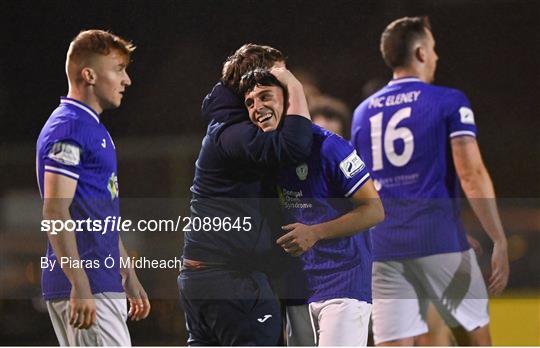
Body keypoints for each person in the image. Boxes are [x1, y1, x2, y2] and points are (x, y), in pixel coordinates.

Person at [351, 16, 509, 346]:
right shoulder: (449, 100)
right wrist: (498, 238)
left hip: (384, 245)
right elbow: (471, 174)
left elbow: (362, 188)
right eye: (434, 49)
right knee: (475, 339)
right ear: (421, 53)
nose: (436, 57)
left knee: (395, 342)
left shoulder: (362, 113)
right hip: (438, 238)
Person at [178, 44, 313, 346]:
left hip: (206, 279)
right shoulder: (232, 131)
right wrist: (296, 85)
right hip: (231, 280)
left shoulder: (229, 125)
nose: (284, 82)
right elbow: (293, 147)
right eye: (279, 75)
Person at [240, 69, 384, 346]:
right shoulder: (270, 155)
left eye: (265, 96)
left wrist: (315, 232)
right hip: (298, 287)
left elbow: (374, 210)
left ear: (289, 99)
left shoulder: (330, 147)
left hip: (343, 282)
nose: (257, 107)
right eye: (250, 102)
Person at [36, 30, 150, 346]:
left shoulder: (90, 127)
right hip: (89, 284)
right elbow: (55, 209)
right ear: (89, 75)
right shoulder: (70, 127)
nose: (126, 79)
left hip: (101, 280)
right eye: (118, 69)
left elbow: (99, 210)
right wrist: (80, 282)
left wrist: (127, 271)